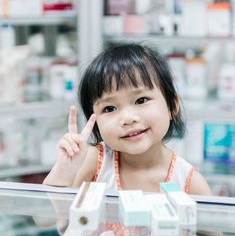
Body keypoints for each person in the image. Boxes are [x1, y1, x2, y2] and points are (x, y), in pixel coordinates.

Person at [43, 43, 212, 195]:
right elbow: (44, 218)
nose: (128, 118)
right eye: (109, 108)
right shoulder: (93, 162)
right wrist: (64, 171)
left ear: (172, 106)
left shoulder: (189, 182)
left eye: (141, 100)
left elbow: (213, 230)